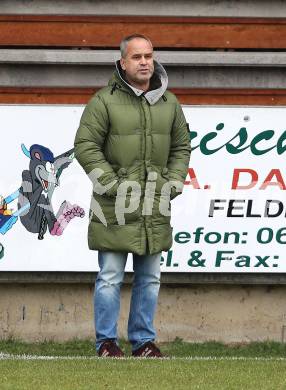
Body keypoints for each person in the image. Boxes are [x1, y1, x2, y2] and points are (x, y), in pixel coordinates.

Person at [74, 34, 191, 357]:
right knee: (110, 277)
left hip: (155, 204)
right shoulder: (104, 101)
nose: (144, 62)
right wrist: (111, 184)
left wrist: (174, 181)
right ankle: (106, 343)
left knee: (150, 278)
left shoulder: (170, 103)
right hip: (114, 207)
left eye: (149, 56)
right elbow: (85, 146)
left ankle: (143, 341)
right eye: (137, 57)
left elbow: (182, 146)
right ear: (122, 63)